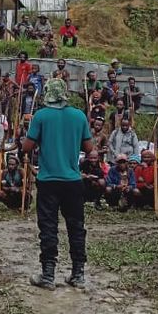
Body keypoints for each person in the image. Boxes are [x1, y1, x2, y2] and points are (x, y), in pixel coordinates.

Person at [22, 78, 93, 290]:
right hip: (72, 180)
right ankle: (78, 274)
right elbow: (89, 148)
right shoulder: (79, 116)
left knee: (48, 227)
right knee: (76, 227)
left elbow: (27, 147)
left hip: (48, 180)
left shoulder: (41, 116)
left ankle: (48, 274)